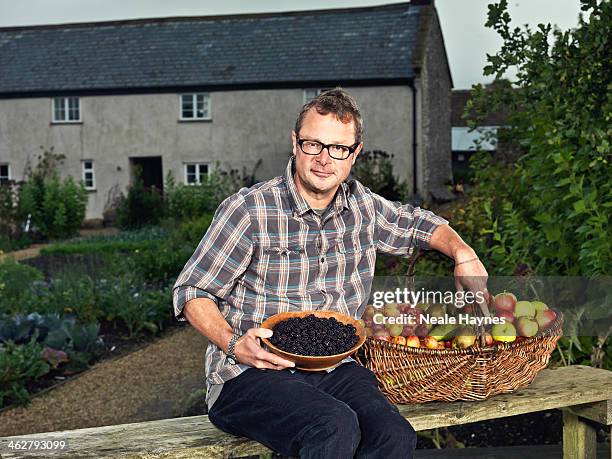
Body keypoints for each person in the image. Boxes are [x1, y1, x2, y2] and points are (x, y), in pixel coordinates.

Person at [173, 88, 488, 458]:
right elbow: (191, 291)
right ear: (295, 143)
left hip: (335, 367)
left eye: (339, 148)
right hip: (250, 373)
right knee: (333, 426)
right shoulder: (250, 210)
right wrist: (232, 343)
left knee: (394, 435)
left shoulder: (363, 207)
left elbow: (418, 223)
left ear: (354, 154)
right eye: (314, 145)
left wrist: (462, 252)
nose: (325, 159)